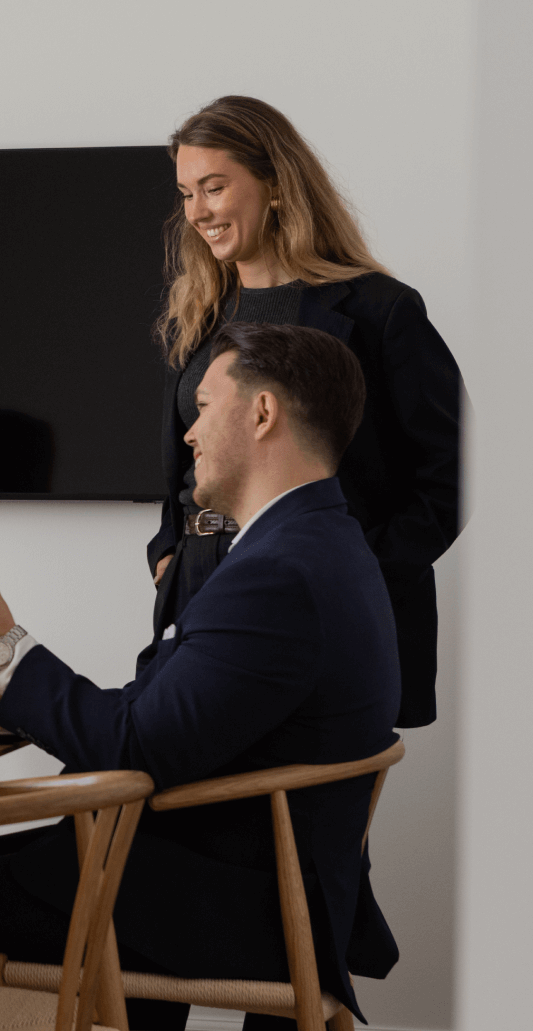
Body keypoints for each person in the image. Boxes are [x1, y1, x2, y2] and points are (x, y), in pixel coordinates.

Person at [0, 323, 400, 1031]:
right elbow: (172, 715)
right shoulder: (322, 545)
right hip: (225, 869)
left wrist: (3, 642)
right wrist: (23, 687)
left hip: (209, 895)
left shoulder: (277, 573)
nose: (188, 433)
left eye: (203, 405)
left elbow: (138, 747)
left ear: (263, 414)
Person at [151, 95, 462, 729]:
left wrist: (354, 570)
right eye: (186, 193)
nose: (198, 212)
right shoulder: (202, 315)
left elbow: (455, 473)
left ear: (275, 185)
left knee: (320, 811)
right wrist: (167, 555)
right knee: (200, 801)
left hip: (328, 599)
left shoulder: (381, 311)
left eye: (214, 187)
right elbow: (183, 461)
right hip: (202, 590)